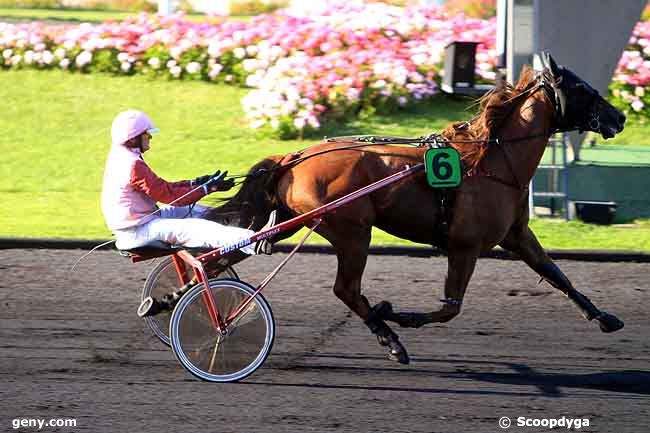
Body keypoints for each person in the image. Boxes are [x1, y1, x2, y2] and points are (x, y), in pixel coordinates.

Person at [101, 109, 275, 255]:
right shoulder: (132, 165)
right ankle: (255, 241)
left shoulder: (123, 156)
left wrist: (196, 183)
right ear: (133, 139)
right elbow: (171, 196)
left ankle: (242, 230)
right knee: (198, 228)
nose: (150, 137)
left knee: (202, 212)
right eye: (146, 134)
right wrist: (207, 189)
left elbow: (164, 187)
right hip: (138, 231)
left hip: (142, 222)